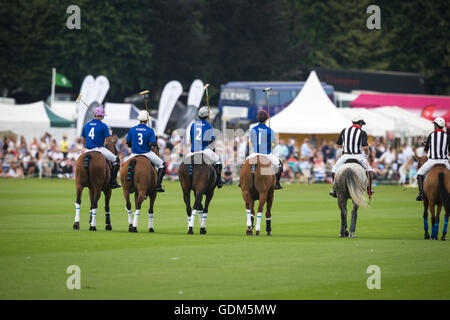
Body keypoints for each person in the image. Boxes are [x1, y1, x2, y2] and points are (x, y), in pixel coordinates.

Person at [329, 115, 373, 197]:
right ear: (360, 123)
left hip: (345, 156)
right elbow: (365, 147)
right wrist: (366, 153)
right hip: (358, 156)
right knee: (369, 170)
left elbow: (339, 145)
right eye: (362, 124)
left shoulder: (344, 130)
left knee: (334, 169)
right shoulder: (362, 133)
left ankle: (335, 189)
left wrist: (346, 146)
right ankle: (369, 189)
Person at [126, 110, 166, 192]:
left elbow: (128, 143)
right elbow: (153, 144)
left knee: (125, 166)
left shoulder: (132, 129)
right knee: (162, 165)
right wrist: (152, 141)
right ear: (147, 120)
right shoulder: (150, 130)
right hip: (147, 153)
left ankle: (128, 184)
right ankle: (158, 185)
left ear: (139, 119)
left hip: (134, 154)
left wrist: (134, 145)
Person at [185, 106, 225, 188]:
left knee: (184, 164)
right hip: (204, 150)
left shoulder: (193, 125)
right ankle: (218, 180)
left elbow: (191, 139)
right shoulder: (209, 125)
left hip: (193, 151)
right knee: (218, 161)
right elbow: (211, 140)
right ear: (207, 116)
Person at [81, 106, 121, 188]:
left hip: (87, 150)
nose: (102, 117)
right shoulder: (103, 126)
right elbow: (108, 139)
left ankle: (81, 180)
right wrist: (109, 134)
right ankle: (113, 181)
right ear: (100, 116)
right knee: (116, 160)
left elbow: (83, 141)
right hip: (99, 149)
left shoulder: (86, 125)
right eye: (102, 116)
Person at [245, 110, 283, 189]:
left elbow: (252, 141)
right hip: (267, 154)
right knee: (279, 165)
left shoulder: (253, 129)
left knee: (243, 165)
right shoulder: (270, 130)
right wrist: (271, 145)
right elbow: (273, 144)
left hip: (255, 153)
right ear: (266, 119)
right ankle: (277, 183)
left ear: (257, 118)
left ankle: (242, 182)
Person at [415, 117, 449, 201]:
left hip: (432, 161)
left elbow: (426, 150)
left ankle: (421, 194)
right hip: (444, 161)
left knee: (419, 173)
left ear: (436, 125)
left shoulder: (431, 134)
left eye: (434, 124)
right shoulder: (447, 136)